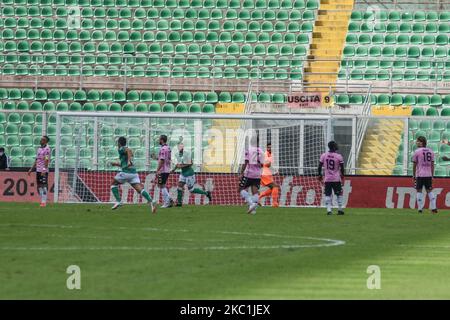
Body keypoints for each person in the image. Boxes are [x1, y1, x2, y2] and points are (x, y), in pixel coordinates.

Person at [110, 136, 157, 213]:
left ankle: (119, 201)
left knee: (113, 184)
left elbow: (128, 151)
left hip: (126, 173)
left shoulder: (121, 148)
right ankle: (151, 201)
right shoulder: (125, 152)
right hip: (133, 174)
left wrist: (128, 161)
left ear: (119, 143)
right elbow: (124, 164)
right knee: (140, 189)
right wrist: (116, 164)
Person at [318, 141, 345, 215]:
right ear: (333, 147)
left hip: (327, 179)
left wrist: (319, 175)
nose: (337, 146)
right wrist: (343, 175)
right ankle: (340, 210)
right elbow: (342, 168)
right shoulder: (339, 156)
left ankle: (329, 210)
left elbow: (320, 166)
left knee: (327, 194)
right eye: (336, 145)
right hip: (336, 178)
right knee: (339, 194)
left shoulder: (324, 155)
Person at [239, 135, 263, 215]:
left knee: (240, 189)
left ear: (251, 142)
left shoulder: (248, 150)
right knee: (255, 192)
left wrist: (241, 173)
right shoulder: (261, 151)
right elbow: (263, 164)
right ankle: (253, 211)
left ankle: (251, 203)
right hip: (257, 175)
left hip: (249, 174)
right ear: (258, 142)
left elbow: (246, 162)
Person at [413, 136, 437, 214]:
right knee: (429, 191)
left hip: (420, 175)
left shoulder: (417, 151)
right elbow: (432, 165)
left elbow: (415, 164)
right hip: (429, 175)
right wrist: (432, 175)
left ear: (422, 142)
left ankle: (420, 209)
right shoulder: (431, 151)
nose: (417, 142)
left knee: (419, 190)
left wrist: (413, 175)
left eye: (418, 141)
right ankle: (434, 208)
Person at [28, 136, 51, 207]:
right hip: (38, 170)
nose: (41, 140)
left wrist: (44, 169)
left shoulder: (47, 149)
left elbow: (47, 160)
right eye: (41, 139)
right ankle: (42, 201)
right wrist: (31, 169)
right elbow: (37, 160)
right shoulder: (39, 149)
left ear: (46, 141)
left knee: (43, 185)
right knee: (39, 186)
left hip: (43, 170)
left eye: (43, 140)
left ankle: (44, 202)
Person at [258, 142, 280, 207]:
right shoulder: (265, 154)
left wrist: (275, 171)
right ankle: (274, 203)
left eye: (270, 147)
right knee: (275, 186)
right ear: (266, 148)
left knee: (273, 188)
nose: (269, 148)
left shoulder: (271, 155)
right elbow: (263, 164)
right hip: (264, 174)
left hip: (268, 173)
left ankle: (259, 197)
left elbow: (269, 165)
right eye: (268, 147)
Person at [156, 135, 174, 208]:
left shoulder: (163, 149)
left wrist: (157, 170)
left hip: (163, 170)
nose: (158, 141)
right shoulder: (168, 148)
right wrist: (156, 158)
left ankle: (167, 202)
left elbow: (162, 160)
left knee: (161, 185)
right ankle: (169, 200)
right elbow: (166, 158)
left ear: (162, 140)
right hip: (167, 169)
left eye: (159, 139)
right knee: (161, 185)